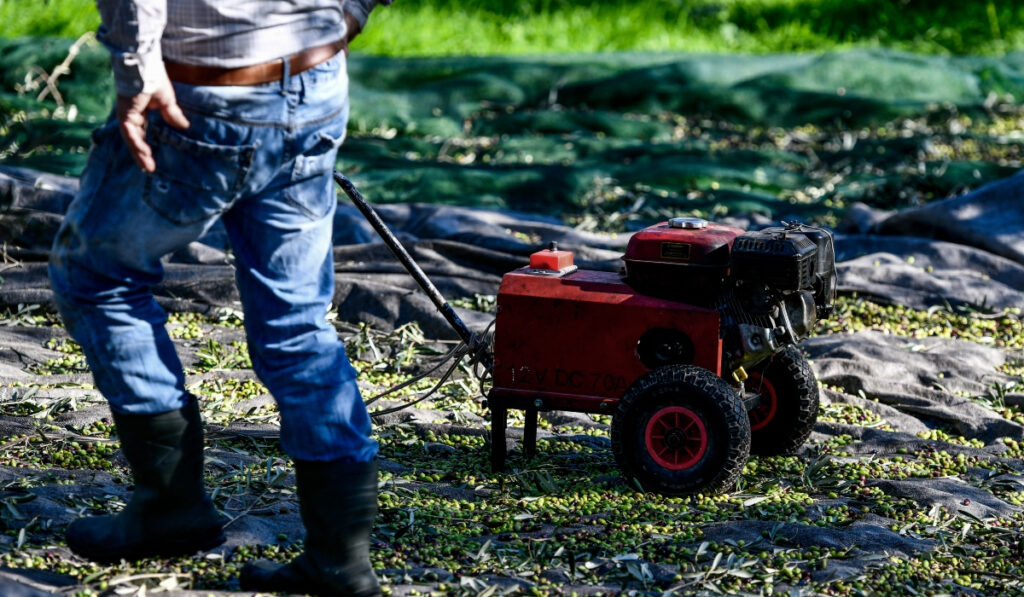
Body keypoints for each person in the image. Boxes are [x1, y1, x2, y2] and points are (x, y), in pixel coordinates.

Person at [48, 1, 391, 594]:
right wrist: (346, 17)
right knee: (297, 323)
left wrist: (137, 69)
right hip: (314, 79)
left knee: (94, 276)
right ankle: (340, 560)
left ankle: (170, 505)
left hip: (202, 96)